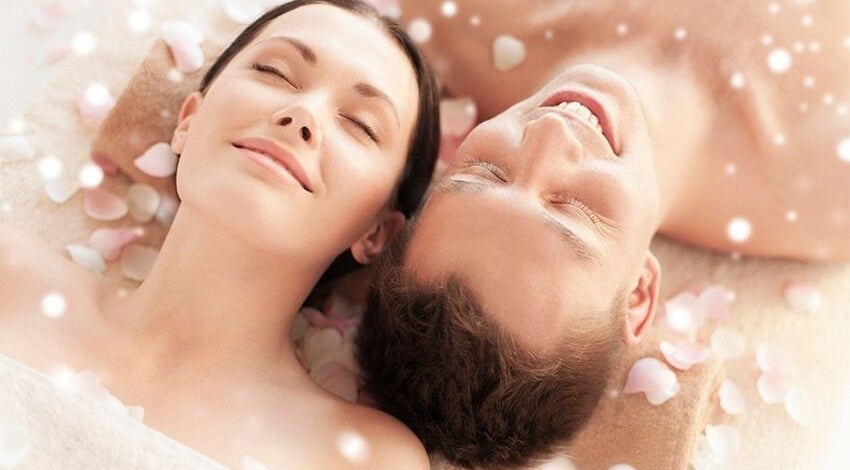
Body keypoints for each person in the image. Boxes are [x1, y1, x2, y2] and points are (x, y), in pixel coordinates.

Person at [357, 1, 850, 467]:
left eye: (487, 170)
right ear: (638, 294)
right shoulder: (828, 180)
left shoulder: (453, 19)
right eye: (574, 209)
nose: (550, 136)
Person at [0, 0, 439, 468]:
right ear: (187, 122)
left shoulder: (363, 459)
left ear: (377, 233)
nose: (302, 113)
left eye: (360, 124)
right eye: (274, 71)